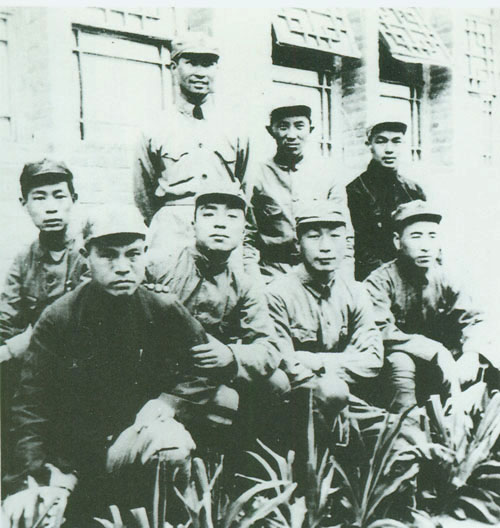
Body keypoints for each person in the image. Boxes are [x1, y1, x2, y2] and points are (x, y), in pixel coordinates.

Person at [1, 205, 254, 527]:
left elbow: (205, 364)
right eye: (108, 255)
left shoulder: (162, 307)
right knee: (23, 515)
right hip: (70, 459)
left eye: (133, 254)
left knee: (170, 442)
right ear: (85, 256)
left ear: (145, 254)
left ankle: (166, 518)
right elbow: (30, 404)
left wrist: (169, 401)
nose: (122, 267)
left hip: (130, 441)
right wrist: (30, 477)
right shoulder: (59, 317)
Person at [364, 200, 498, 413]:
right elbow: (379, 329)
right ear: (398, 241)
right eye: (416, 236)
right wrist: (434, 351)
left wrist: (471, 354)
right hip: (403, 365)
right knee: (400, 363)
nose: (425, 246)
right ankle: (407, 431)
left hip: (446, 366)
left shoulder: (448, 276)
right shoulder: (379, 282)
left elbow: (474, 318)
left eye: (432, 236)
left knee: (489, 362)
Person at [0, 158, 87, 481]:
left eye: (59, 195)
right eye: (39, 197)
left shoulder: (90, 252)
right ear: (24, 204)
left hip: (86, 369)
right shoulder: (23, 262)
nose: (51, 207)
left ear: (73, 200)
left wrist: (20, 344)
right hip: (40, 371)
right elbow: (5, 325)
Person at [134, 31, 249, 267]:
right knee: (168, 298)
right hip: (171, 233)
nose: (200, 72)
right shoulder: (154, 127)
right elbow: (143, 195)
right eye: (191, 63)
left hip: (222, 229)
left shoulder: (236, 127)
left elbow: (246, 187)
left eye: (208, 64)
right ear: (174, 67)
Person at [266, 201, 383, 419]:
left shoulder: (356, 292)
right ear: (298, 243)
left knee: (404, 439)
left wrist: (318, 361)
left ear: (346, 243)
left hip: (349, 401)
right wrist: (342, 366)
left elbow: (372, 359)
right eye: (314, 236)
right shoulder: (277, 294)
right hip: (299, 404)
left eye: (335, 236)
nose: (326, 246)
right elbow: (286, 363)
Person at [244, 102, 348, 283]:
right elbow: (247, 238)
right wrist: (255, 284)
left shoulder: (328, 174)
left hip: (319, 275)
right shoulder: (257, 176)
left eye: (299, 126)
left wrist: (343, 282)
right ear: (271, 131)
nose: (292, 135)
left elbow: (344, 235)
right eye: (283, 126)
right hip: (271, 274)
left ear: (310, 129)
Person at [347, 116, 426, 281]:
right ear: (369, 145)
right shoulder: (356, 191)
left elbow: (426, 237)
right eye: (381, 141)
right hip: (374, 279)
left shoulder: (414, 190)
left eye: (396, 141)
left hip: (414, 275)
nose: (389, 149)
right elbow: (362, 250)